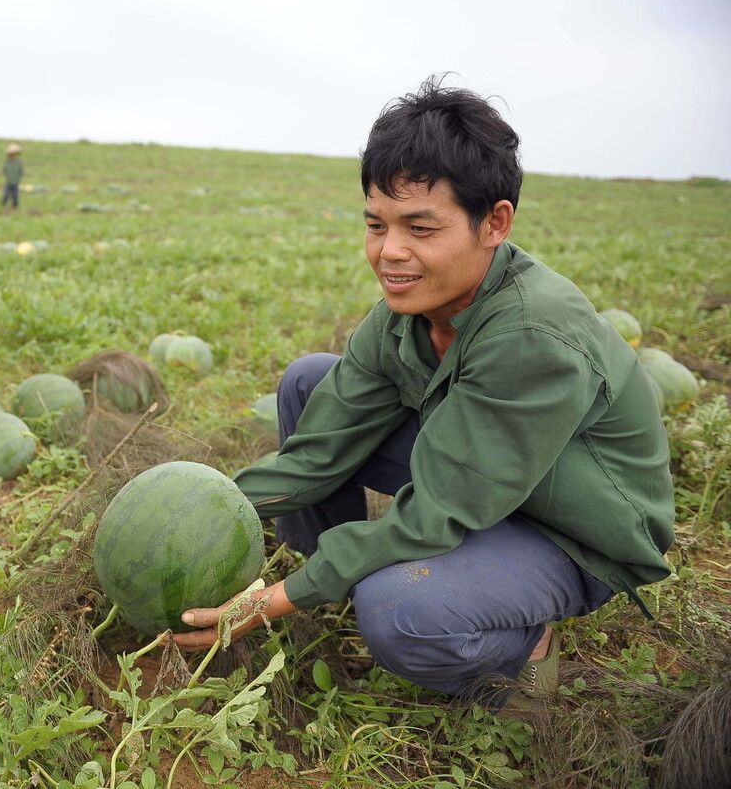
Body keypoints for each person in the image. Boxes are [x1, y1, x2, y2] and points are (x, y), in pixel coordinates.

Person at [173, 78, 675, 709]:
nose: (390, 252)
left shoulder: (532, 334)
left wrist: (271, 601)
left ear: (493, 223)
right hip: (485, 481)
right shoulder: (404, 315)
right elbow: (315, 453)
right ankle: (332, 577)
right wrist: (193, 514)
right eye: (376, 225)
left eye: (419, 227)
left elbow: (442, 505)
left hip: (573, 532)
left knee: (398, 610)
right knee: (310, 381)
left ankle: (523, 649)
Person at [1, 143, 23, 210]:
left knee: (15, 195)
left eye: (15, 154)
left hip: (16, 182)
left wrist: (18, 178)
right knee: (6, 193)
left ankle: (15, 205)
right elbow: (5, 170)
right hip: (9, 181)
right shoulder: (7, 163)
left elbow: (21, 171)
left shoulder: (19, 163)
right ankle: (3, 204)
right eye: (12, 154)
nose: (14, 156)